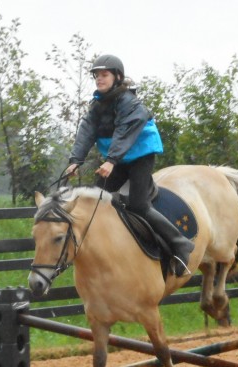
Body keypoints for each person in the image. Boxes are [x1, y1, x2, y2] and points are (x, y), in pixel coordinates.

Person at [64, 54, 194, 276]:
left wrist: (111, 161)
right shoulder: (98, 105)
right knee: (95, 198)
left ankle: (180, 243)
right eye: (96, 75)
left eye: (104, 74)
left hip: (140, 156)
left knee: (138, 204)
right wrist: (75, 161)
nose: (99, 79)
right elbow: (87, 131)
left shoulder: (130, 103)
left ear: (117, 77)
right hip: (118, 159)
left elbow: (124, 133)